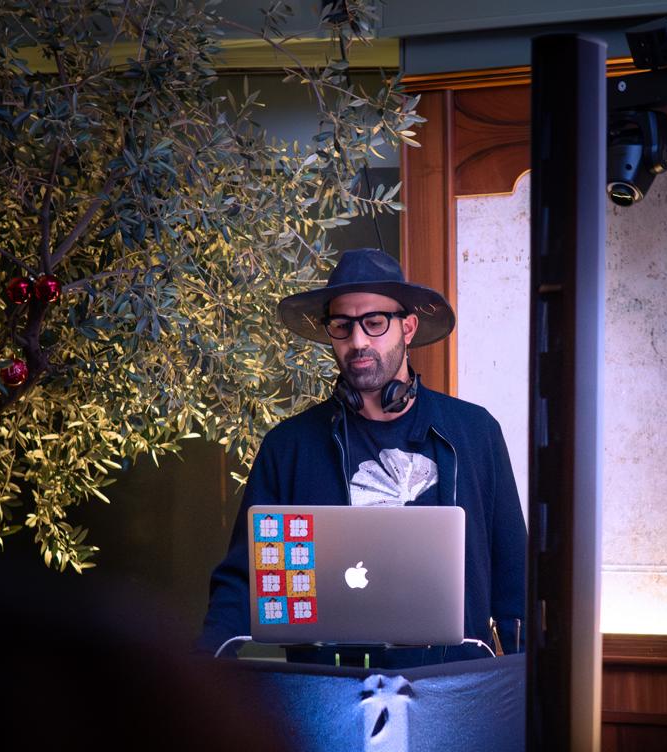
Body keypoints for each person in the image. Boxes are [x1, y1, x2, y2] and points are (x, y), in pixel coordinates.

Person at [200, 248, 526, 662]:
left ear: (408, 327)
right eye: (342, 325)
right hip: (327, 690)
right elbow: (243, 582)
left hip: (452, 689)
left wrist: (526, 687)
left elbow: (516, 581)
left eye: (374, 323)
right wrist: (204, 668)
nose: (357, 342)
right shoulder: (289, 447)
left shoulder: (475, 433)